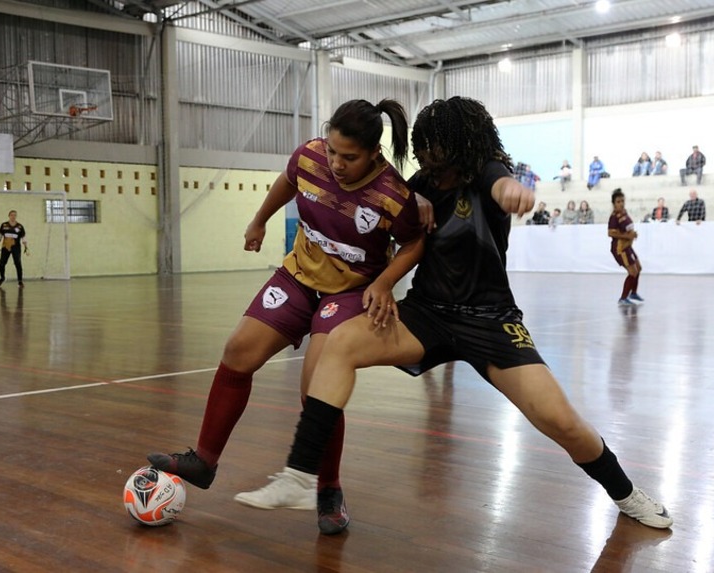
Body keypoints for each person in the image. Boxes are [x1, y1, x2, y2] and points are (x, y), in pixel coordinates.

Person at [238, 97, 672, 535]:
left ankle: (626, 493)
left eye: (436, 150)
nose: (427, 158)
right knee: (338, 341)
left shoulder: (486, 171)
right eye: (423, 149)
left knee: (561, 421)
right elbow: (391, 210)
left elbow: (502, 186)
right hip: (428, 313)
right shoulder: (420, 182)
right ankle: (300, 476)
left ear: (461, 147)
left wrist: (513, 194)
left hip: (490, 321)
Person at [145, 100, 425, 522]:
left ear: (373, 153)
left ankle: (328, 490)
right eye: (332, 151)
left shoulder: (392, 194)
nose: (336, 163)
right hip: (297, 277)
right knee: (238, 351)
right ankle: (203, 461)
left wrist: (385, 282)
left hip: (348, 293)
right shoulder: (309, 156)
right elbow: (287, 181)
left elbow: (415, 242)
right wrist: (259, 220)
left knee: (317, 387)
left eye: (349, 157)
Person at [608, 189, 644, 306]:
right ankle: (623, 298)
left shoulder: (624, 212)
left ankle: (633, 293)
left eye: (623, 201)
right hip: (620, 249)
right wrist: (627, 236)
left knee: (638, 268)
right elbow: (611, 233)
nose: (621, 203)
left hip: (628, 246)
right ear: (614, 203)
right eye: (618, 202)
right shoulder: (614, 217)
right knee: (632, 271)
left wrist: (632, 234)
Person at [0, 210, 27, 288]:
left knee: (18, 263)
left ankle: (20, 281)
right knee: (2, 263)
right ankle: (2, 277)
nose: (13, 216)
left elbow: (23, 236)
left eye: (15, 215)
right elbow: (0, 235)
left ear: (16, 216)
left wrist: (25, 245)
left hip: (16, 247)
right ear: (9, 216)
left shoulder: (19, 226)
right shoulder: (4, 225)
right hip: (5, 247)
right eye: (12, 215)